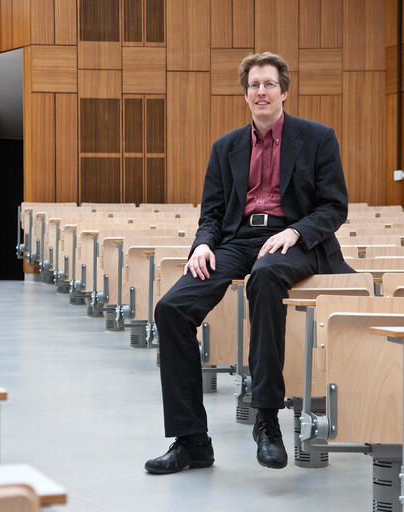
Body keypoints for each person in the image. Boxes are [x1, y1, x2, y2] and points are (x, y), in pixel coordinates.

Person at [145, 52, 353, 474]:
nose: (261, 91)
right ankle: (191, 442)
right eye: (254, 85)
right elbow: (212, 212)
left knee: (265, 277)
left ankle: (266, 418)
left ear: (284, 92)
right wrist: (203, 245)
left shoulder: (317, 138)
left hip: (292, 237)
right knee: (171, 309)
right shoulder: (226, 147)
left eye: (269, 84)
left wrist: (295, 232)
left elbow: (335, 206)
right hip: (237, 238)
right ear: (246, 95)